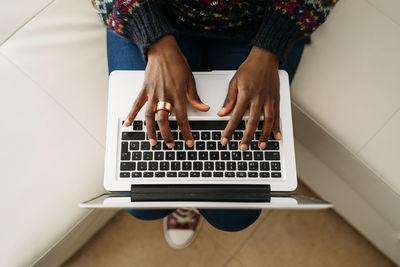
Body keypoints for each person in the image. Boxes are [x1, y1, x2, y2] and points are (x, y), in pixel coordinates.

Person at [91, 0, 337, 249]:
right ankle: (188, 189)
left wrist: (270, 48)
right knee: (144, 202)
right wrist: (154, 40)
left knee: (234, 214)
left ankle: (193, 187)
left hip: (259, 24)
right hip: (152, 10)